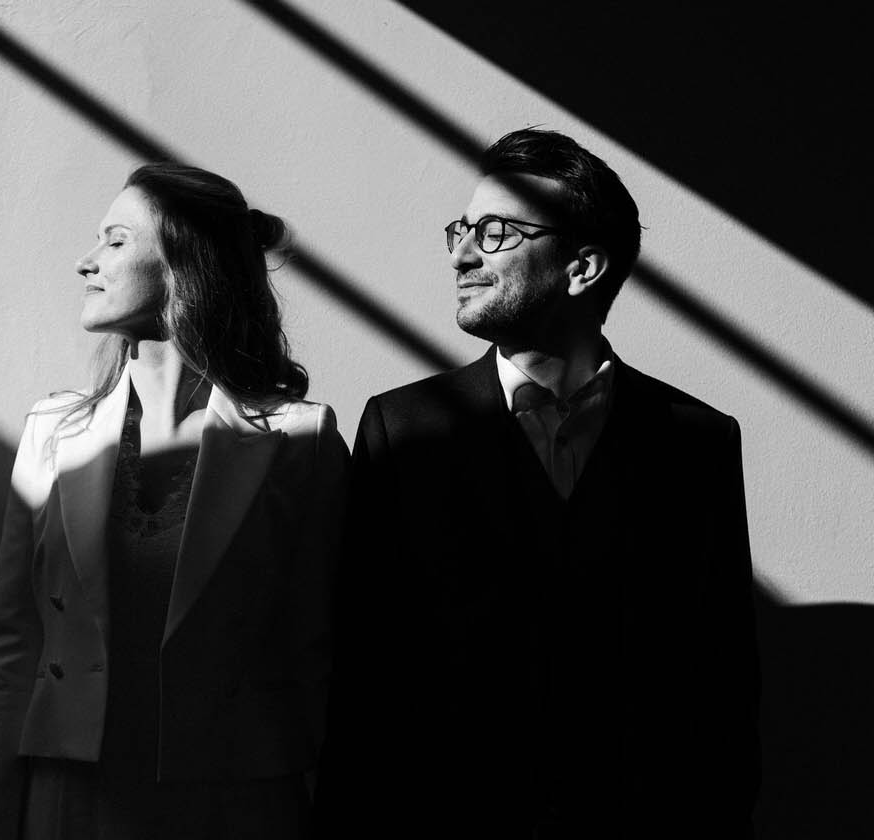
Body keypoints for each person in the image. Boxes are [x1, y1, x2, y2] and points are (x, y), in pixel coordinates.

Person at [320, 128, 759, 837]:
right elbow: (363, 674)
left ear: (581, 267)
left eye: (494, 233)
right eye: (460, 231)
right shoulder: (402, 430)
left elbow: (722, 679)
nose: (462, 254)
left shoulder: (695, 441)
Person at [0, 163, 348, 839]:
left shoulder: (299, 440)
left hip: (234, 803)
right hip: (71, 798)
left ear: (185, 264)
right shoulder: (55, 432)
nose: (86, 262)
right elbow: (11, 651)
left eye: (114, 240)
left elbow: (329, 655)